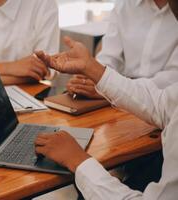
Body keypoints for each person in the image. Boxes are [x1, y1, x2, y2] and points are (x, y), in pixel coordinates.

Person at [34, 0, 178, 198]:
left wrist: (79, 162)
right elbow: (163, 104)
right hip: (124, 114)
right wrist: (93, 71)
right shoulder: (125, 6)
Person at [66, 0, 178, 99]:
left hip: (165, 106)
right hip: (119, 99)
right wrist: (90, 80)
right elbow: (109, 57)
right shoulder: (124, 5)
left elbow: (171, 80)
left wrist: (113, 87)